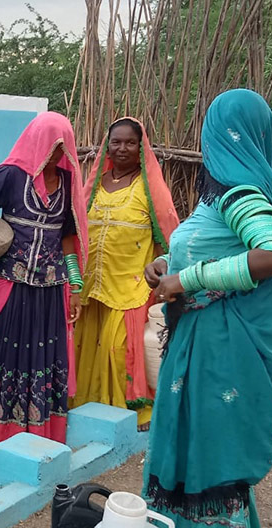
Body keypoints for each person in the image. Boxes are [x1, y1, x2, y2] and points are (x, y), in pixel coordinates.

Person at [141, 89, 272, 528]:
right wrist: (164, 265)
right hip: (198, 340)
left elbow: (271, 255)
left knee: (212, 447)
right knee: (190, 443)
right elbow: (203, 248)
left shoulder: (242, 194)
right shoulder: (217, 195)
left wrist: (189, 278)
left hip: (221, 347)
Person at [0, 111, 89, 453]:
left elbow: (68, 237)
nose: (57, 153)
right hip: (10, 284)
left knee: (45, 359)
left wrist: (76, 287)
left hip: (51, 291)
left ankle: (40, 437)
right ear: (37, 141)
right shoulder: (10, 176)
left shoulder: (69, 184)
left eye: (62, 146)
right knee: (5, 357)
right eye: (52, 144)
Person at [72, 118, 179, 430]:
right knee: (87, 345)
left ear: (140, 147)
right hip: (92, 281)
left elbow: (168, 236)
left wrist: (166, 278)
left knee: (119, 348)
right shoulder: (95, 185)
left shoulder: (150, 190)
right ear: (107, 146)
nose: (122, 148)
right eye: (115, 142)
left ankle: (132, 411)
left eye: (129, 143)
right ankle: (90, 409)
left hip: (130, 284)